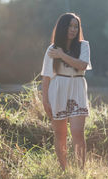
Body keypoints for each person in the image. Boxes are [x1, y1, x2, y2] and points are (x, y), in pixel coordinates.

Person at [40, 12, 92, 170]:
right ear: (63, 27)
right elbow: (46, 77)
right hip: (57, 91)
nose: (73, 29)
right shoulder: (52, 49)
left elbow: (82, 65)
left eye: (76, 26)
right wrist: (45, 101)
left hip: (77, 89)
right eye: (70, 26)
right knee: (60, 134)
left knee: (78, 133)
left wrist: (62, 55)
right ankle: (64, 170)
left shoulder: (84, 45)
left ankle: (80, 171)